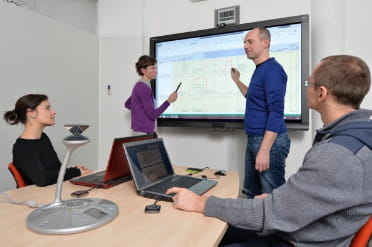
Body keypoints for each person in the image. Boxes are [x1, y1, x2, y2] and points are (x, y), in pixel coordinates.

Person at [167, 55, 372, 246]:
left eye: (308, 83)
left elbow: (271, 214)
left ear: (322, 93)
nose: (305, 88)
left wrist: (201, 203)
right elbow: (304, 198)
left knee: (205, 234)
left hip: (296, 239)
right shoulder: (352, 138)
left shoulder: (338, 153)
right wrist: (278, 203)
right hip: (301, 225)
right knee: (216, 228)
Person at [230, 27, 291, 198]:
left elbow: (276, 112)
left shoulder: (273, 70)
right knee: (252, 194)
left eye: (250, 41)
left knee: (272, 198)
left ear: (265, 43)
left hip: (268, 143)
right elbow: (252, 97)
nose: (245, 46)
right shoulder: (261, 69)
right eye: (244, 42)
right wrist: (237, 81)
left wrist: (264, 151)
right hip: (255, 140)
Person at [4, 94, 92, 187]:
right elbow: (42, 180)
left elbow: (57, 170)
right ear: (31, 113)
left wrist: (75, 170)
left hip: (52, 191)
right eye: (47, 108)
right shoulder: (23, 148)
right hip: (36, 197)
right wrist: (76, 172)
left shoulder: (43, 138)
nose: (54, 112)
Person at [125, 55, 178, 135]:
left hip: (143, 132)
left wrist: (140, 114)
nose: (156, 71)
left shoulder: (141, 85)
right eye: (152, 68)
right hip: (143, 133)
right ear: (143, 70)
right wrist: (169, 101)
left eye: (155, 68)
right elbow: (153, 115)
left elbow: (128, 104)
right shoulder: (142, 87)